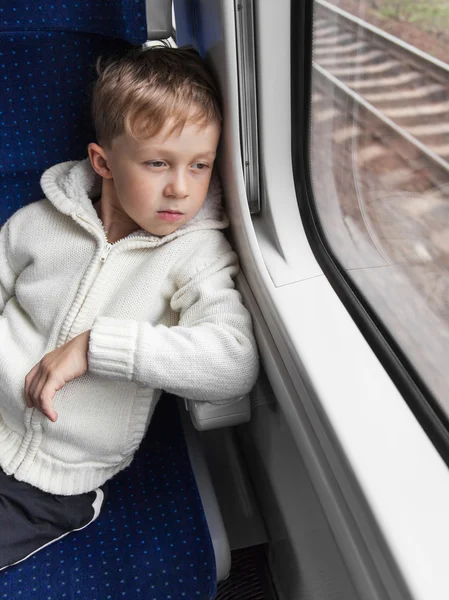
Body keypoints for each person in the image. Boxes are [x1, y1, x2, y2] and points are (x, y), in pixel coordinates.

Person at [0, 45, 259, 570]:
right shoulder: (35, 225)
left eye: (200, 165)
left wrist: (97, 347)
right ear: (103, 162)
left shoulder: (196, 253)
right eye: (157, 162)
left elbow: (234, 362)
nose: (181, 188)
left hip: (52, 482)